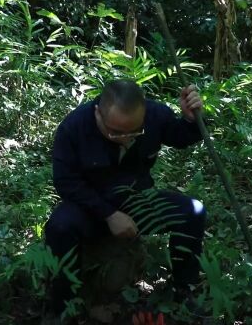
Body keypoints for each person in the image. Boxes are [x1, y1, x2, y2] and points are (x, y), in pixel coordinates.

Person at [44, 79, 207, 316]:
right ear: (98, 112)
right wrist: (108, 214)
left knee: (194, 211)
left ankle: (185, 288)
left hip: (137, 202)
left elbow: (181, 137)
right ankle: (63, 305)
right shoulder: (74, 127)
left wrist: (192, 120)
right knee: (59, 227)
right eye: (115, 132)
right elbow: (65, 181)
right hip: (89, 208)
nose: (125, 138)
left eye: (135, 131)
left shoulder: (155, 114)